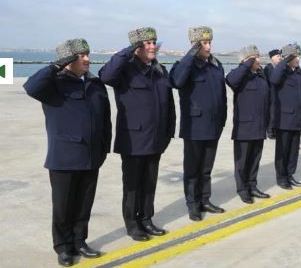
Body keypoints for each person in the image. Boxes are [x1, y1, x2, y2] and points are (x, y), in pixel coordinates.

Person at [24, 39, 111, 266]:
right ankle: (63, 247)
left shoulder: (94, 83)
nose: (87, 59)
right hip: (64, 156)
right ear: (68, 60)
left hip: (91, 155)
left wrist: (104, 147)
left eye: (87, 54)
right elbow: (31, 87)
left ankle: (80, 241)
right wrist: (56, 66)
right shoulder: (54, 85)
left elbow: (106, 119)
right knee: (63, 206)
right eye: (80, 56)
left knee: (84, 204)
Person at [99, 27, 175, 242]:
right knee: (132, 184)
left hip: (156, 137)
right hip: (134, 139)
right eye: (147, 43)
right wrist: (128, 51)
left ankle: (147, 218)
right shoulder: (125, 70)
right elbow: (105, 75)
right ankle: (132, 223)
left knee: (149, 181)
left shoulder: (159, 69)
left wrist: (169, 131)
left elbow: (169, 103)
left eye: (154, 42)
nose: (152, 46)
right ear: (137, 47)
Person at [169, 26, 227, 221]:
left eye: (210, 42)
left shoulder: (216, 65)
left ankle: (205, 200)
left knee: (206, 169)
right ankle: (193, 204)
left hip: (213, 126)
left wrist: (222, 119)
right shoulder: (185, 66)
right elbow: (176, 81)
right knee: (192, 169)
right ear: (194, 45)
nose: (209, 47)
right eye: (204, 43)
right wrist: (192, 54)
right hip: (194, 127)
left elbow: (222, 96)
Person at [225, 45, 271, 204]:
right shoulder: (239, 76)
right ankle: (242, 189)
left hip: (259, 125)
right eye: (254, 57)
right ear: (245, 60)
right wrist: (246, 64)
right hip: (244, 127)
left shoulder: (260, 75)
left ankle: (252, 185)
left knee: (255, 159)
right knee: (242, 161)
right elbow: (230, 80)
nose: (258, 60)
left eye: (258, 56)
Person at [270, 44, 301, 189]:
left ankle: (290, 175)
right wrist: (284, 61)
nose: (297, 59)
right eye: (294, 57)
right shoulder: (281, 73)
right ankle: (281, 177)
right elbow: (274, 79)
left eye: (297, 56)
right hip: (284, 119)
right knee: (283, 150)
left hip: (297, 118)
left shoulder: (299, 73)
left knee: (293, 151)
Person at [264, 49, 282, 140]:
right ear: (272, 58)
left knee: (277, 112)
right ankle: (270, 130)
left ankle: (274, 129)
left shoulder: (279, 67)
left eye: (280, 56)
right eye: (277, 56)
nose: (280, 58)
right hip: (271, 94)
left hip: (279, 94)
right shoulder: (269, 68)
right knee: (272, 113)